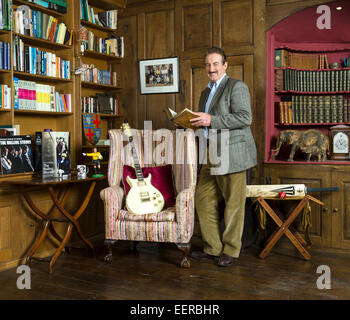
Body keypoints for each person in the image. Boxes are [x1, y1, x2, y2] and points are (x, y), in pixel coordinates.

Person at [189, 47, 257, 267]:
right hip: (211, 153)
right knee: (202, 199)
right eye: (208, 64)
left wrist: (211, 120)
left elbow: (245, 118)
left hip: (233, 153)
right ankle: (213, 248)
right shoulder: (205, 93)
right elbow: (205, 121)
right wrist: (189, 123)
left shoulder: (236, 86)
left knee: (233, 204)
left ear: (225, 65)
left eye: (216, 64)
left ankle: (231, 250)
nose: (211, 68)